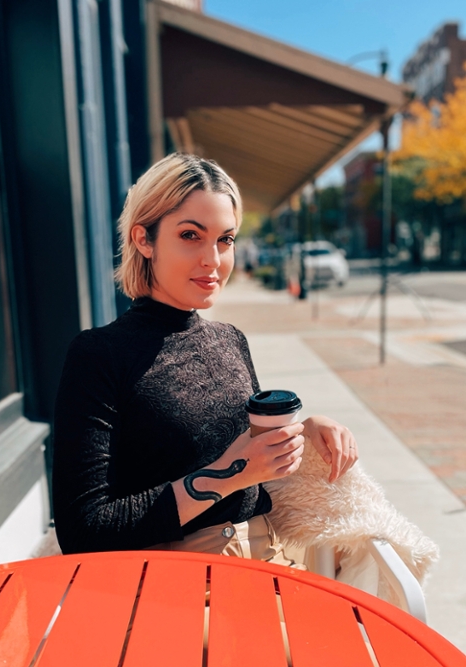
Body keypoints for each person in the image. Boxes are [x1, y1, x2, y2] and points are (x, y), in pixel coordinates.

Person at [52, 153, 358, 563]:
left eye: (225, 239)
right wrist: (231, 475)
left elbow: (243, 453)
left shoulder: (230, 340)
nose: (213, 260)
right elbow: (84, 530)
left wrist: (302, 432)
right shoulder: (98, 355)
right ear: (144, 240)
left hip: (272, 561)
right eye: (191, 236)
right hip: (179, 584)